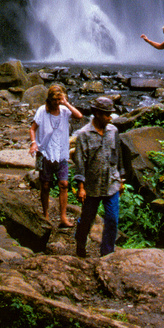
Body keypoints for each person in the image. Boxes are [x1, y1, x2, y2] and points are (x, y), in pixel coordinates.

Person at [73, 96, 124, 258]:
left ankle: (107, 254)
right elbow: (80, 162)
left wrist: (121, 180)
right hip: (91, 186)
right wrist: (80, 187)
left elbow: (118, 156)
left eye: (110, 114)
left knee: (112, 219)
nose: (110, 118)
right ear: (96, 113)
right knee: (87, 220)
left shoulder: (113, 131)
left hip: (111, 182)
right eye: (106, 114)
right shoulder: (84, 135)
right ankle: (80, 243)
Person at [29, 83, 83, 229]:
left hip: (61, 152)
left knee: (64, 184)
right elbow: (33, 129)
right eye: (55, 100)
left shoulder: (65, 110)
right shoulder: (42, 111)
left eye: (59, 100)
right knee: (45, 185)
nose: (57, 103)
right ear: (49, 99)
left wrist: (66, 102)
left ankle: (63, 217)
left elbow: (79, 116)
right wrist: (34, 143)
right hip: (44, 151)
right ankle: (45, 214)